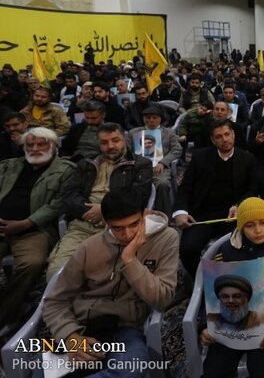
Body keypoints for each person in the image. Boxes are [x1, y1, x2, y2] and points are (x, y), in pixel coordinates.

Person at [42, 188, 179, 378]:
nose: (128, 234)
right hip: (82, 324)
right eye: (118, 228)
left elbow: (162, 299)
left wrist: (130, 260)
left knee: (130, 369)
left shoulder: (166, 238)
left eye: (134, 224)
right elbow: (55, 301)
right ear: (106, 223)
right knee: (41, 372)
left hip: (126, 327)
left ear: (144, 214)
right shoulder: (90, 247)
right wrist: (70, 336)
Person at [200, 197, 264, 378]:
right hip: (230, 325)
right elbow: (211, 293)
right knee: (214, 370)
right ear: (241, 227)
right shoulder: (225, 251)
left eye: (263, 223)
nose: (258, 230)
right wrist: (205, 326)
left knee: (262, 369)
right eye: (250, 225)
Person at [47, 122, 153, 278]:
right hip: (84, 224)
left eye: (115, 140)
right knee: (58, 272)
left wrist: (103, 210)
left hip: (120, 226)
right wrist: (88, 212)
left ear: (124, 139)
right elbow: (69, 194)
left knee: (106, 274)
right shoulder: (85, 164)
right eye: (104, 142)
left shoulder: (140, 164)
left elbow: (138, 196)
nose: (110, 146)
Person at [0, 127, 75, 332]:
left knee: (32, 263)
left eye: (41, 144)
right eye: (30, 145)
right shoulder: (8, 167)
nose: (34, 148)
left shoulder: (65, 170)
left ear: (53, 146)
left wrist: (27, 223)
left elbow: (59, 204)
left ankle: (8, 313)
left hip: (34, 229)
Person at [173, 119, 256, 277]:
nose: (225, 139)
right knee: (187, 249)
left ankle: (239, 281)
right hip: (203, 216)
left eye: (227, 134)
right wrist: (180, 212)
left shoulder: (247, 159)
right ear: (212, 139)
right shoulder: (200, 157)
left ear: (233, 134)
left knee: (247, 246)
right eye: (219, 137)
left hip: (233, 217)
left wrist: (240, 205)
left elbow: (252, 189)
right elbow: (185, 188)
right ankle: (204, 281)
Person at [128, 105, 183, 217]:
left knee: (162, 184)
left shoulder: (169, 133)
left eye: (154, 117)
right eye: (147, 117)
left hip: (160, 168)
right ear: (143, 118)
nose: (151, 120)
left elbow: (177, 150)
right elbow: (127, 152)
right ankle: (135, 215)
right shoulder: (133, 133)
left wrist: (163, 162)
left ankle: (164, 216)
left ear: (160, 119)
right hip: (138, 168)